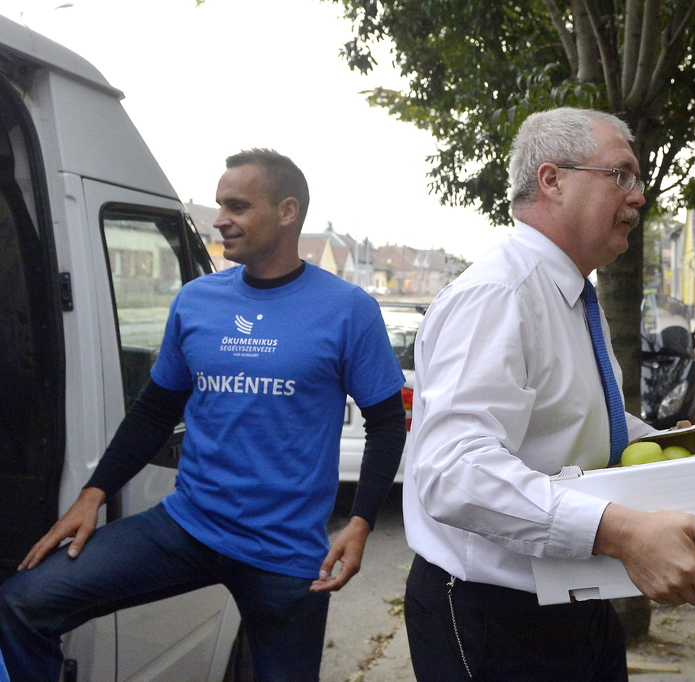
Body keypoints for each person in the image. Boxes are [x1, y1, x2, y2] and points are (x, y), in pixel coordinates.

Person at [0, 149, 408, 681]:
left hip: (285, 555)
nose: (219, 220)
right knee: (24, 601)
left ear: (287, 212)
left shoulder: (348, 308)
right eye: (219, 205)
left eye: (236, 206)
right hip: (187, 526)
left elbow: (384, 423)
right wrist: (93, 494)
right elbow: (154, 410)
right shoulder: (196, 301)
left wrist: (360, 521)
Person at [402, 107, 695, 681]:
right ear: (552, 180)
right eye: (622, 175)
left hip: (571, 598)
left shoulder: (570, 292)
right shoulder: (500, 296)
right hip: (494, 619)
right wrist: (623, 532)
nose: (638, 196)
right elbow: (453, 474)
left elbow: (573, 417)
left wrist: (673, 444)